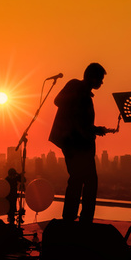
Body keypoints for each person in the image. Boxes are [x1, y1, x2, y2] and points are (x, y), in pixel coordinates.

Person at [48, 63, 109, 224]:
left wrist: (95, 130)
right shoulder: (76, 86)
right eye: (100, 79)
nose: (101, 83)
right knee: (85, 181)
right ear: (92, 77)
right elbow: (59, 102)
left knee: (79, 180)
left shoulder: (85, 94)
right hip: (75, 144)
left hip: (78, 143)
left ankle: (73, 218)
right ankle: (80, 219)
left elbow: (82, 123)